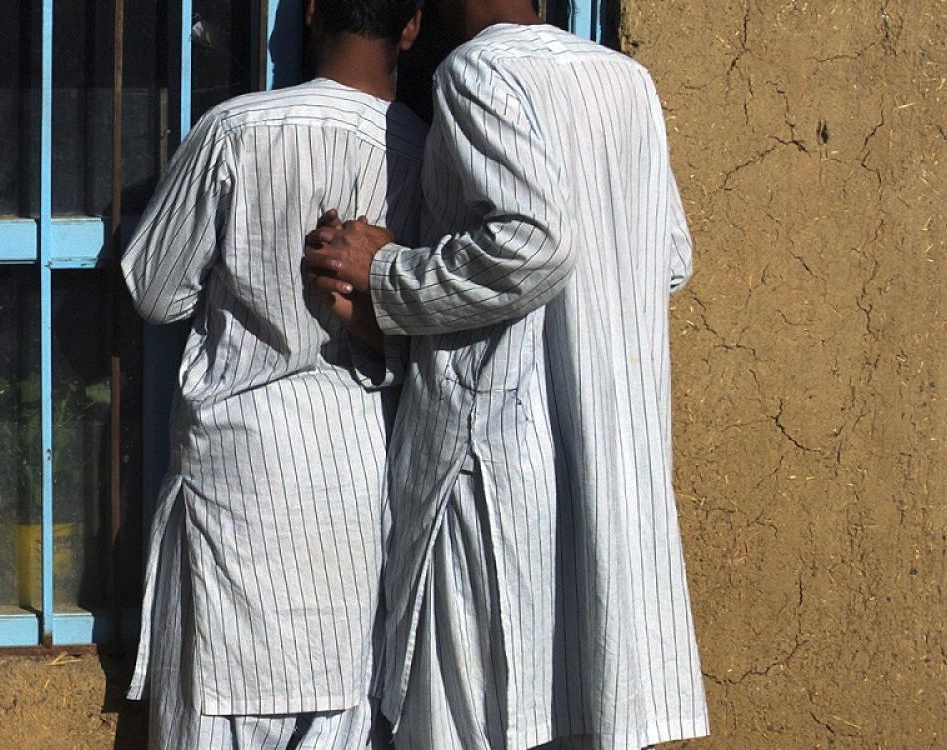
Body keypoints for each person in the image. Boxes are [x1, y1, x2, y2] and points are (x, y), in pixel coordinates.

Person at [302, 1, 707, 747]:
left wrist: (389, 270)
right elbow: (669, 257)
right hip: (606, 470)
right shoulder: (624, 81)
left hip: (492, 471)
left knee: (472, 717)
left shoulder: (477, 71)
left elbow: (534, 242)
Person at [119, 1, 429, 747]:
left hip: (238, 479)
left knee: (215, 709)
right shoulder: (424, 152)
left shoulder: (237, 131)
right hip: (354, 483)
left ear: (313, 11)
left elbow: (156, 291)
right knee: (341, 708)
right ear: (412, 27)